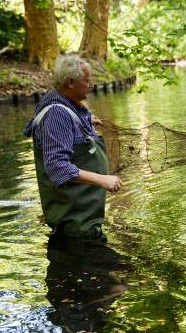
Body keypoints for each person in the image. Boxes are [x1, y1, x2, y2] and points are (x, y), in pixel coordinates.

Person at [23, 55, 122, 240]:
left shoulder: (60, 103)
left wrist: (84, 121)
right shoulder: (56, 114)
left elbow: (56, 127)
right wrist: (102, 179)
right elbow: (57, 167)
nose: (91, 85)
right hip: (75, 225)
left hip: (83, 219)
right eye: (87, 80)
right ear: (70, 82)